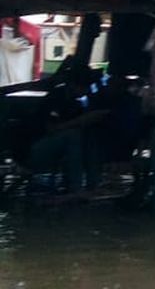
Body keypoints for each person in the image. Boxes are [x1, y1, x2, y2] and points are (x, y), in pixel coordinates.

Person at [15, 60, 108, 193]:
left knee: (90, 134)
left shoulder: (76, 103)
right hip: (33, 150)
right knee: (73, 135)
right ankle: (75, 188)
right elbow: (51, 129)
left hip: (52, 148)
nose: (87, 90)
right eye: (85, 86)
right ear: (74, 85)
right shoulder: (56, 97)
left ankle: (93, 185)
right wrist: (79, 121)